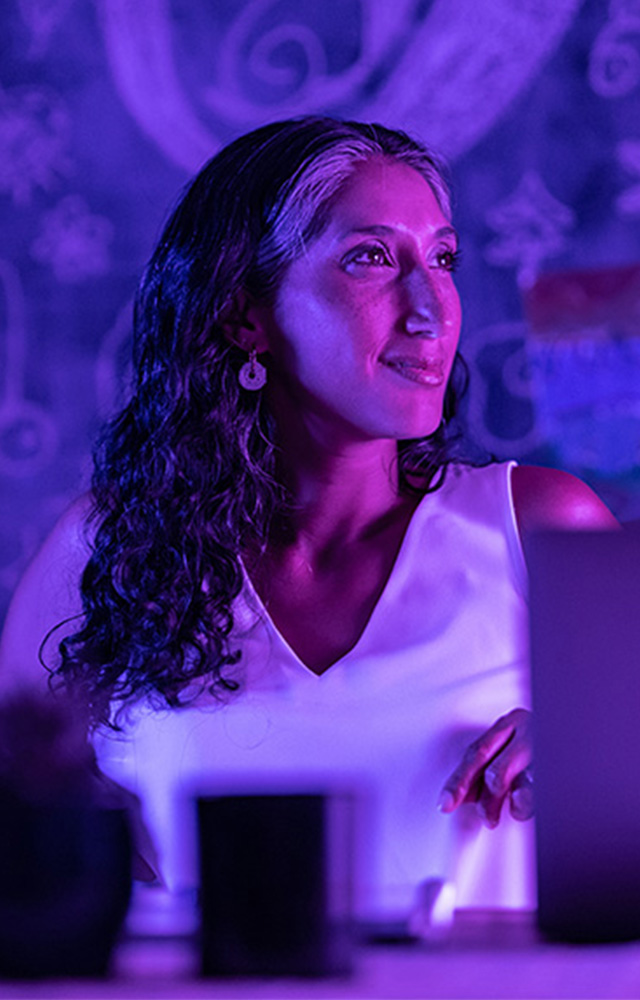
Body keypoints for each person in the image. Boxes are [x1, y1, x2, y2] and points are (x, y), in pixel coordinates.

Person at [0, 117, 617, 920]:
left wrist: (606, 761)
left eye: (442, 259)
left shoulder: (539, 526)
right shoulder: (109, 548)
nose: (431, 310)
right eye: (370, 258)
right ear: (245, 315)